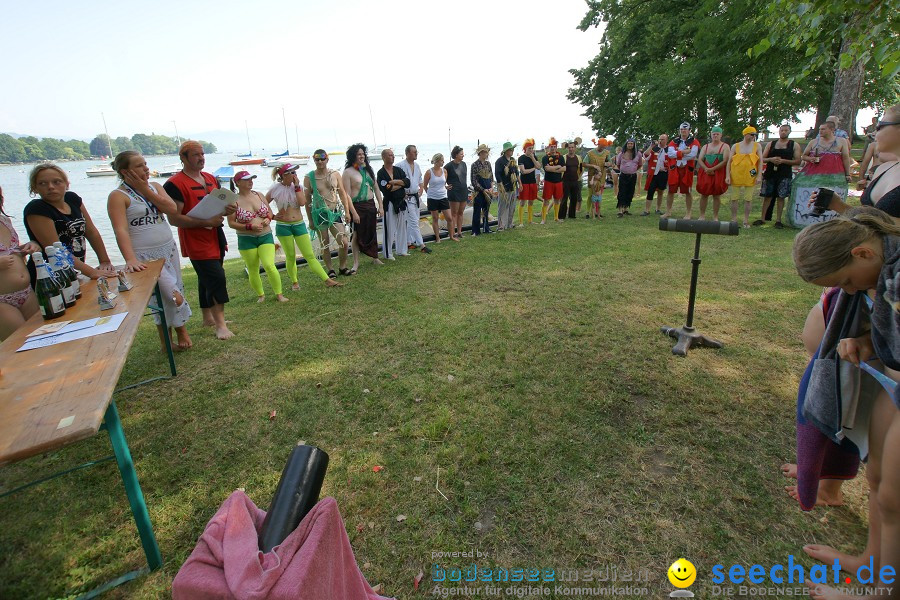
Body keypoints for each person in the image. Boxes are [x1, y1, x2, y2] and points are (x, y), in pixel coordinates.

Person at [792, 208, 900, 600]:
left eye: (847, 283)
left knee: (895, 496)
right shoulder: (884, 269)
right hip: (893, 382)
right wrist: (870, 343)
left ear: (863, 254)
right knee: (880, 485)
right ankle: (873, 562)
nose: (850, 293)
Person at [108, 151, 193, 351]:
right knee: (169, 294)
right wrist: (129, 258)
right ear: (125, 172)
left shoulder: (154, 187)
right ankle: (175, 335)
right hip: (145, 255)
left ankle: (173, 336)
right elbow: (120, 229)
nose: (145, 168)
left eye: (145, 164)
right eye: (139, 166)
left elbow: (171, 209)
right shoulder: (118, 196)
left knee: (175, 289)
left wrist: (144, 190)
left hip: (167, 249)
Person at [164, 141, 234, 340]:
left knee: (206, 280)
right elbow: (174, 218)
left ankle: (208, 318)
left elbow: (221, 203)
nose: (201, 158)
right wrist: (205, 221)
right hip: (196, 239)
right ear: (183, 158)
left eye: (202, 154)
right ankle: (220, 325)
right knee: (216, 278)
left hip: (215, 235)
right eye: (195, 155)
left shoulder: (211, 178)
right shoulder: (174, 184)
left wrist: (228, 209)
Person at [24, 163, 117, 281]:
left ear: (67, 184)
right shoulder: (37, 209)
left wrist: (104, 261)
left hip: (74, 271)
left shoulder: (72, 199)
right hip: (50, 276)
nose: (51, 187)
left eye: (57, 182)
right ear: (34, 188)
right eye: (43, 183)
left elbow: (91, 232)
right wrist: (91, 272)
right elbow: (56, 249)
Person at [266, 156, 340, 289]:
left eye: (295, 172)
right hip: (283, 226)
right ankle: (294, 282)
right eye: (292, 173)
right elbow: (263, 204)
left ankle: (327, 279)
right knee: (290, 256)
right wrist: (272, 216)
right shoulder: (275, 188)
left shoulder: (298, 187)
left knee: (309, 255)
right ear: (284, 175)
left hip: (298, 224)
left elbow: (302, 203)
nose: (295, 175)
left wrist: (296, 187)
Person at [225, 171, 286, 303]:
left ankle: (279, 294)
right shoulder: (233, 201)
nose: (250, 181)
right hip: (246, 239)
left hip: (265, 235)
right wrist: (248, 227)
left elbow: (269, 211)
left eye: (251, 179)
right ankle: (261, 295)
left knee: (269, 265)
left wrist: (269, 219)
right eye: (246, 179)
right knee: (253, 268)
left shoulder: (259, 195)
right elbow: (231, 223)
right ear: (238, 183)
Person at [0, 185, 41, 341]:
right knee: (20, 346)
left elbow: (11, 251)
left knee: (43, 339)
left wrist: (28, 246)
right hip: (2, 301)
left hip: (27, 292)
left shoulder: (4, 220)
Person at [304, 153, 354, 277]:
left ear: (327, 159)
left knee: (343, 241)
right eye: (317, 159)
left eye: (322, 159)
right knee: (324, 243)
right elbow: (307, 201)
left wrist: (347, 212)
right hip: (319, 214)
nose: (320, 162)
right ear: (314, 160)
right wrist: (310, 220)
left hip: (334, 212)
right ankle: (330, 270)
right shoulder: (309, 177)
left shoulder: (335, 174)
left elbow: (342, 194)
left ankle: (342, 267)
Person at [342, 144, 384, 273]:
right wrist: (353, 213)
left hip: (370, 205)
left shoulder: (367, 170)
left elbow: (376, 188)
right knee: (356, 234)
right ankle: (355, 263)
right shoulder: (348, 172)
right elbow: (347, 195)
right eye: (359, 154)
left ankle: (375, 256)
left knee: (372, 231)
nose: (362, 156)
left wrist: (380, 206)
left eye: (363, 154)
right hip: (357, 206)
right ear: (353, 156)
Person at [756, 124, 801, 228]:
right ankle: (762, 218)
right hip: (770, 173)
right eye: (781, 130)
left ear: (789, 132)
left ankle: (778, 220)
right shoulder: (771, 144)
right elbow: (762, 159)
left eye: (786, 130)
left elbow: (798, 161)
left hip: (785, 174)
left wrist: (783, 161)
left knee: (781, 197)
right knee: (767, 196)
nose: (783, 132)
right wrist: (771, 160)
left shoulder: (794, 145)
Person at [725, 126, 763, 228]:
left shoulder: (757, 146)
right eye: (751, 134)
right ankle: (734, 219)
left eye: (754, 135)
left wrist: (759, 175)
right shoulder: (735, 146)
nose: (753, 137)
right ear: (745, 134)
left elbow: (760, 161)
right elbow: (729, 161)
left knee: (748, 198)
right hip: (736, 173)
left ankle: (746, 220)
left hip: (750, 174)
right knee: (734, 198)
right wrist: (727, 175)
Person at [397, 145, 431, 253]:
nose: (416, 153)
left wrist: (421, 189)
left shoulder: (417, 166)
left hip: (416, 196)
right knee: (413, 221)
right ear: (407, 153)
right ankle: (422, 245)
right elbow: (396, 181)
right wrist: (401, 193)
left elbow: (420, 179)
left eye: (417, 152)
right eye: (414, 152)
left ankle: (409, 242)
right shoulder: (400, 166)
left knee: (415, 220)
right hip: (406, 198)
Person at [377, 148, 411, 256]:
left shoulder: (398, 170)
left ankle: (402, 250)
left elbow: (408, 182)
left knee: (402, 227)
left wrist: (395, 182)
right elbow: (387, 189)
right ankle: (388, 253)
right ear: (384, 157)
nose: (393, 156)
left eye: (393, 155)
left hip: (400, 202)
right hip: (389, 203)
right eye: (390, 155)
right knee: (389, 228)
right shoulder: (381, 173)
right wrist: (401, 185)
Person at [665, 123, 701, 219]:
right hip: (674, 169)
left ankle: (688, 213)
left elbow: (692, 155)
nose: (683, 131)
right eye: (681, 129)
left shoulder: (694, 142)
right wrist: (684, 152)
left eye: (685, 129)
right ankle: (668, 211)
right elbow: (670, 154)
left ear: (689, 130)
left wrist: (677, 153)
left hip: (687, 170)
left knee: (687, 191)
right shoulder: (674, 141)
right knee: (670, 190)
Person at [801, 121, 853, 187]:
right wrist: (810, 158)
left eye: (823, 129)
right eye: (819, 129)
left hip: (834, 174)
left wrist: (847, 174)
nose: (820, 131)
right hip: (815, 174)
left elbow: (845, 158)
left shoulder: (841, 141)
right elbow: (803, 156)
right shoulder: (813, 142)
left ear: (831, 129)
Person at [423, 153, 453, 241]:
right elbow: (425, 186)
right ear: (436, 161)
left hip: (443, 196)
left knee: (449, 218)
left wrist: (446, 188)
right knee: (435, 218)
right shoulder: (429, 172)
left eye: (443, 160)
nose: (443, 162)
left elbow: (443, 184)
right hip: (432, 198)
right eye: (441, 160)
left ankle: (451, 236)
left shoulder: (444, 171)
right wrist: (430, 194)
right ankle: (437, 237)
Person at [642, 134, 669, 216]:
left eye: (663, 139)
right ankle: (647, 210)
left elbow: (672, 161)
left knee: (661, 191)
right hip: (653, 174)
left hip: (663, 174)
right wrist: (651, 146)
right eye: (660, 139)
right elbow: (646, 156)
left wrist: (666, 167)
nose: (661, 141)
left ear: (666, 140)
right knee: (650, 191)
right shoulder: (654, 149)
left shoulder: (669, 150)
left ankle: (658, 209)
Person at [614, 139, 642, 218]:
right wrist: (625, 169)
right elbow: (618, 164)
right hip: (623, 176)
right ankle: (620, 210)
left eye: (631, 144)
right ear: (626, 144)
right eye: (628, 144)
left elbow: (640, 164)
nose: (630, 145)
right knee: (622, 192)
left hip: (632, 176)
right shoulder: (621, 154)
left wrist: (633, 170)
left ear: (634, 145)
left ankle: (626, 209)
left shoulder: (638, 154)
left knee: (630, 192)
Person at [471, 144, 495, 235]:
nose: (486, 154)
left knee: (486, 210)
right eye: (484, 152)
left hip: (488, 190)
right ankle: (476, 230)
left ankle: (486, 228)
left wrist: (491, 187)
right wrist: (483, 189)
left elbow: (491, 177)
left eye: (487, 152)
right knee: (477, 211)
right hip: (479, 191)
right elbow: (474, 181)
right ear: (480, 153)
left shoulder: (488, 164)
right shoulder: (475, 165)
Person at [495, 142, 519, 229]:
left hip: (513, 186)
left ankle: (510, 223)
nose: (512, 151)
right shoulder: (500, 161)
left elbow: (516, 173)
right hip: (504, 187)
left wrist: (520, 183)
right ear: (505, 151)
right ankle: (501, 225)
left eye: (512, 149)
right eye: (510, 149)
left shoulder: (513, 160)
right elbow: (497, 175)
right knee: (503, 206)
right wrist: (501, 186)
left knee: (512, 206)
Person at [445, 145, 468, 239]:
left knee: (461, 212)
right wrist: (445, 186)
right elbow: (441, 177)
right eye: (461, 154)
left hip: (463, 190)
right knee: (454, 213)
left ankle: (459, 231)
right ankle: (452, 232)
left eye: (463, 153)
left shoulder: (464, 164)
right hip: (454, 191)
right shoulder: (449, 166)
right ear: (456, 154)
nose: (463, 155)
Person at [583, 139, 610, 219]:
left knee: (599, 195)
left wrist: (608, 163)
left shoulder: (606, 153)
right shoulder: (590, 153)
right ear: (598, 144)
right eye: (602, 146)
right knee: (590, 195)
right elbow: (584, 164)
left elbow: (611, 163)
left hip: (601, 177)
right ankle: (588, 212)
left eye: (604, 147)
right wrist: (593, 166)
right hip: (592, 176)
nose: (603, 148)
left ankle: (597, 212)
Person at [540, 138, 565, 223]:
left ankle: (556, 218)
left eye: (554, 146)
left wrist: (553, 168)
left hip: (558, 182)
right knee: (546, 200)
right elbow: (547, 168)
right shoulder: (545, 158)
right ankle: (543, 219)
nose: (553, 148)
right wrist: (558, 167)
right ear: (549, 147)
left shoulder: (561, 157)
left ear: (556, 147)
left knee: (557, 199)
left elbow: (564, 168)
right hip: (548, 182)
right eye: (551, 146)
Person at [517, 139, 540, 224]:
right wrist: (534, 168)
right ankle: (521, 222)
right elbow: (523, 171)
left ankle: (530, 220)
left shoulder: (534, 157)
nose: (531, 150)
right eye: (529, 148)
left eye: (532, 148)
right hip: (524, 182)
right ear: (525, 149)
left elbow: (539, 166)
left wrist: (533, 158)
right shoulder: (521, 158)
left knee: (531, 201)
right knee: (523, 201)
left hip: (532, 182)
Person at [560, 141, 583, 219]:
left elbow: (581, 168)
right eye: (569, 147)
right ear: (567, 148)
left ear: (575, 148)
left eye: (572, 147)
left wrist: (578, 177)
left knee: (574, 198)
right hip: (565, 181)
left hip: (575, 181)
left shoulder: (578, 157)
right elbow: (560, 168)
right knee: (564, 198)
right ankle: (562, 215)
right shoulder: (564, 157)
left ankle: (572, 215)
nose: (571, 149)